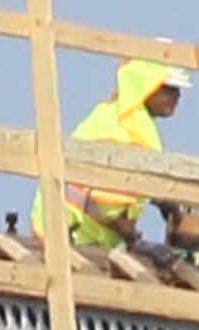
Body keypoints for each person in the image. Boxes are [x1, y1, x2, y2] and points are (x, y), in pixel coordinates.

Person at [40, 57, 186, 269]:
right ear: (145, 86)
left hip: (84, 235)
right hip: (69, 233)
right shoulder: (121, 126)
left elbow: (129, 178)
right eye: (168, 89)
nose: (176, 97)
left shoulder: (129, 119)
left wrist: (160, 198)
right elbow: (106, 200)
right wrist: (133, 237)